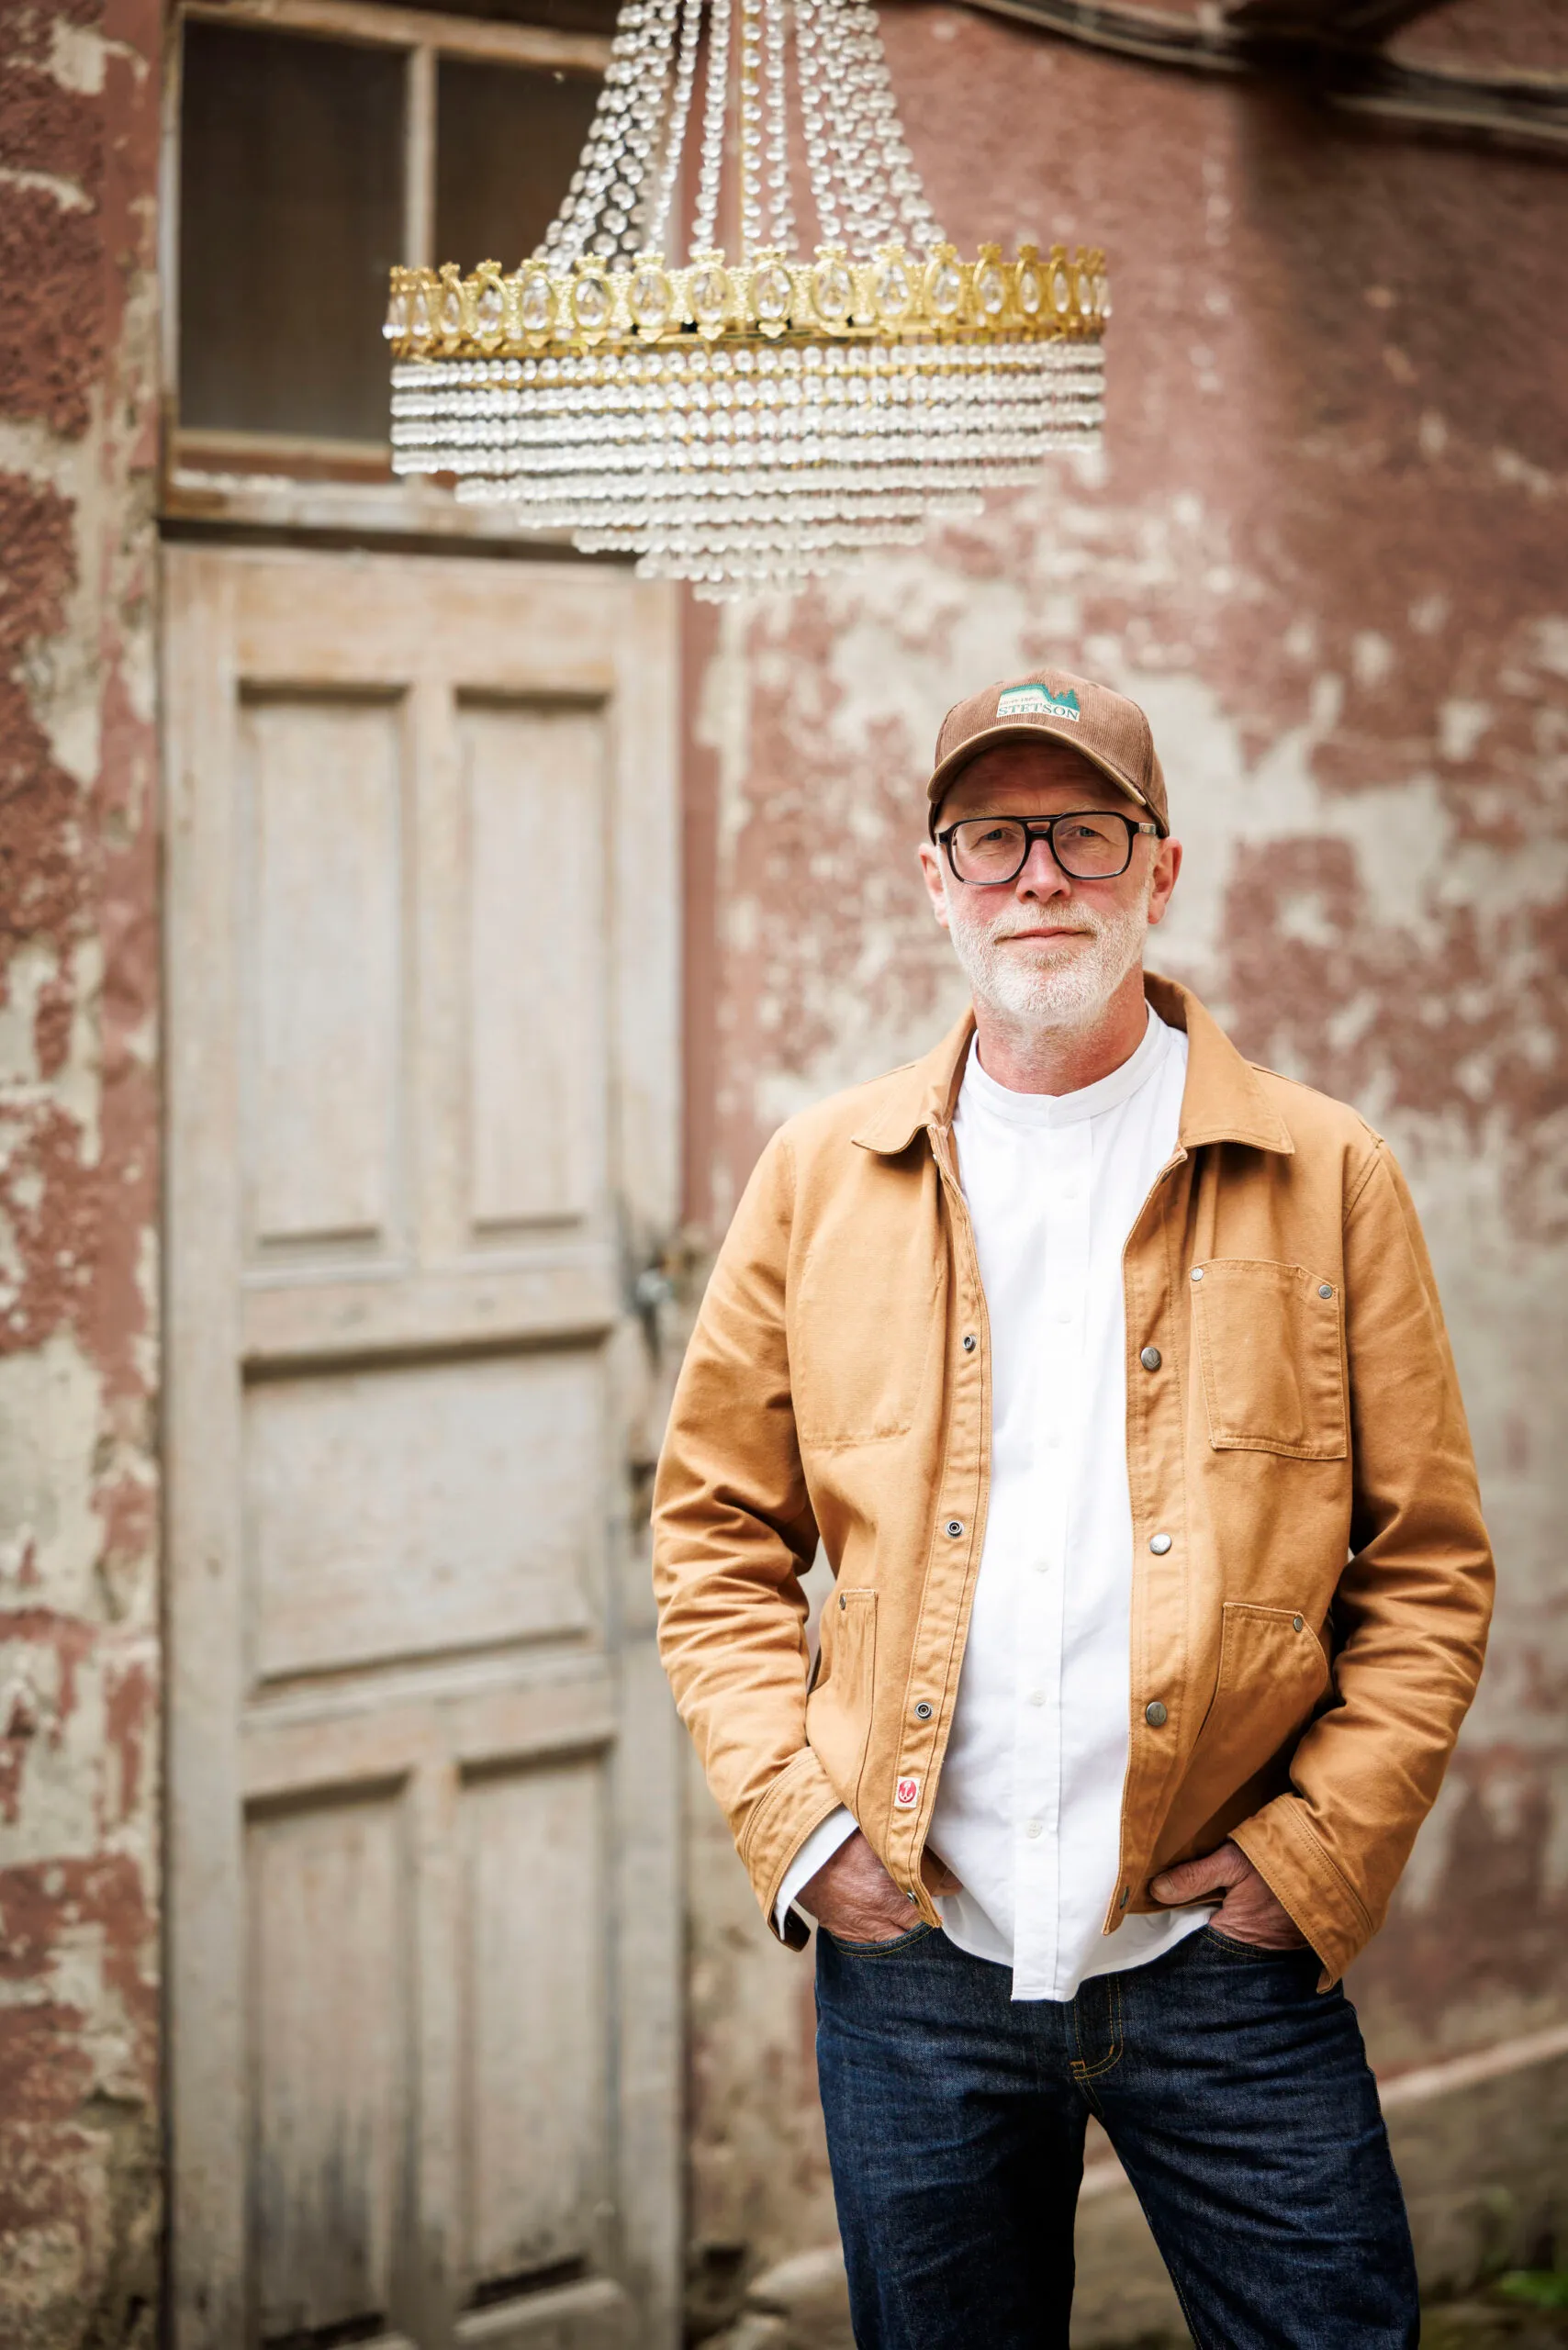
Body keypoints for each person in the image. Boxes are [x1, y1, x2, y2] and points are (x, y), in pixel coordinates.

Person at [652, 666, 1493, 2350]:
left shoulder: (1328, 1175)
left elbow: (1427, 1575)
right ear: (936, 877)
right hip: (916, 1963)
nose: (1038, 878)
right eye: (992, 838)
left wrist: (1307, 1857)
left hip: (1228, 1962)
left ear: (1159, 869)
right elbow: (713, 1534)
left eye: (1084, 835)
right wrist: (804, 1830)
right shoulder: (822, 1176)